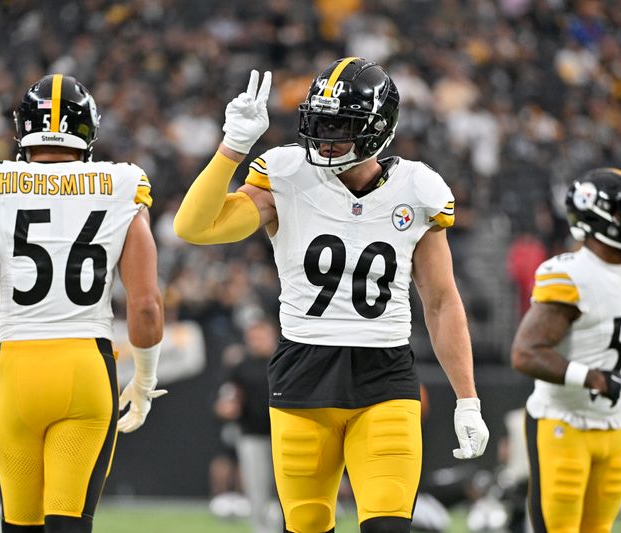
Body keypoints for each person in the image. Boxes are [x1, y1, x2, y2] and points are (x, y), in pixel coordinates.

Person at [174, 57, 489, 533]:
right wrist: (232, 148)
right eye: (318, 123)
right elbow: (194, 227)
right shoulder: (286, 175)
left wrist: (468, 398)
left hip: (384, 376)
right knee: (306, 527)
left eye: (340, 127)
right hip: (304, 372)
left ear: (377, 130)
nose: (324, 138)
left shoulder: (417, 189)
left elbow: (442, 302)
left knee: (389, 526)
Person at [0, 74, 166, 533]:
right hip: (85, 370)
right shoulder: (122, 183)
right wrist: (146, 378)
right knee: (68, 526)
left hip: (17, 372)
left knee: (19, 527)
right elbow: (147, 304)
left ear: (23, 129)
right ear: (88, 130)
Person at [510, 167, 621, 533]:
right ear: (594, 216)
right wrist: (593, 378)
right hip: (563, 422)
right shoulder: (572, 273)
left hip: (616, 425)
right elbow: (526, 352)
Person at [214, 318, 282, 533]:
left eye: (261, 336)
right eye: (253, 337)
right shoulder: (241, 366)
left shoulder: (285, 361)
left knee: (289, 491)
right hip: (252, 434)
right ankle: (261, 529)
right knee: (256, 490)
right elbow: (226, 395)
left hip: (285, 434)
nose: (257, 341)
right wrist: (226, 406)